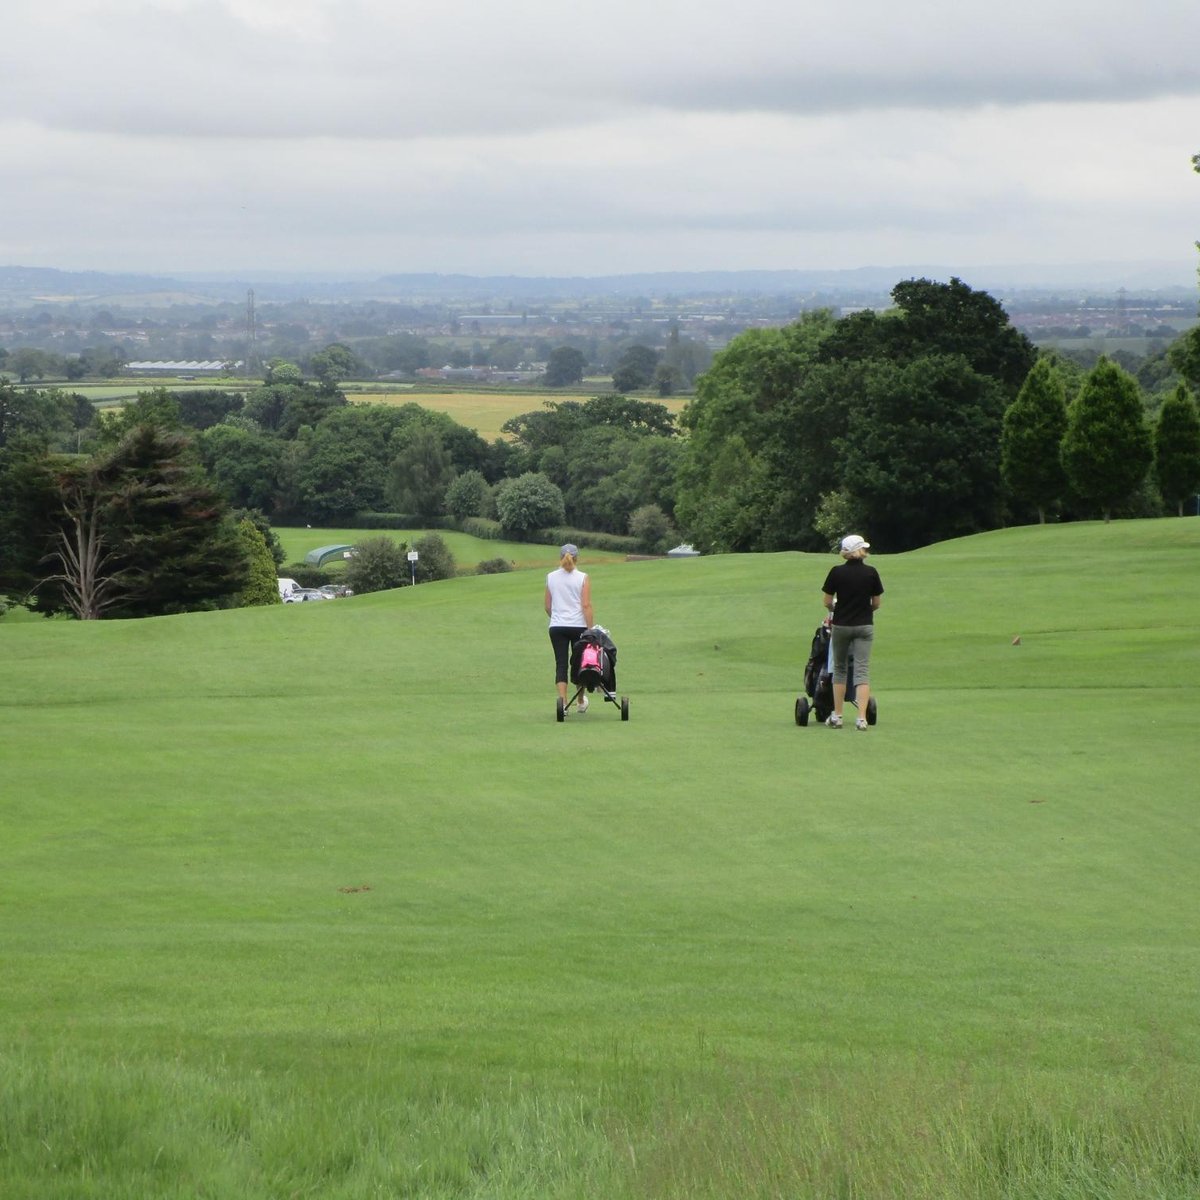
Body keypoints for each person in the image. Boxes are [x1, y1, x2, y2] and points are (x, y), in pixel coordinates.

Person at [820, 533, 884, 730]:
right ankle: (861, 719)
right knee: (862, 670)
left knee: (839, 669)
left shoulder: (836, 572)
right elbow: (876, 603)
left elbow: (827, 601)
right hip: (865, 626)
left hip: (841, 625)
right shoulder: (871, 572)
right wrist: (864, 611)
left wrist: (836, 610)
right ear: (859, 550)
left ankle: (838, 716)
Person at [545, 543, 594, 713]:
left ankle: (563, 703)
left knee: (561, 664)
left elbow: (547, 606)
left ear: (560, 558)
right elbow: (586, 605)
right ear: (576, 558)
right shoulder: (583, 577)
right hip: (578, 626)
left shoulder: (550, 577)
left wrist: (558, 618)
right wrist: (590, 630)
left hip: (557, 627)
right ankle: (580, 701)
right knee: (580, 664)